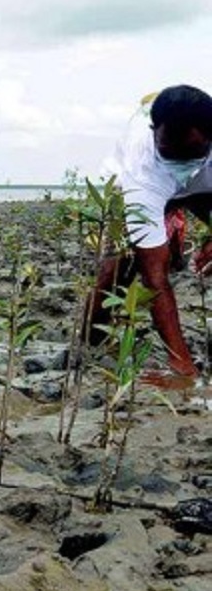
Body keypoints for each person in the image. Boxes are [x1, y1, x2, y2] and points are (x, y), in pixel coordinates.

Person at [94, 84, 212, 378]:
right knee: (121, 264)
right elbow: (154, 276)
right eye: (170, 152)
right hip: (143, 183)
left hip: (206, 184)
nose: (181, 162)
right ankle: (90, 339)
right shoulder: (142, 162)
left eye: (191, 151)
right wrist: (181, 365)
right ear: (153, 131)